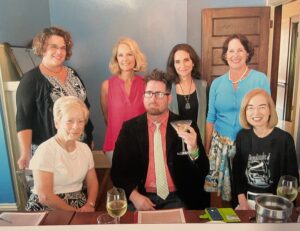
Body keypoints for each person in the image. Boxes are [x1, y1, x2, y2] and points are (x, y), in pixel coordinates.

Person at [111, 69, 210, 210]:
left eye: (159, 94)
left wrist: (194, 150)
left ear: (169, 98)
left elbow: (203, 170)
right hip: (141, 197)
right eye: (149, 93)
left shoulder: (186, 125)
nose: (153, 99)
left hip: (178, 198)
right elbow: (117, 172)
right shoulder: (130, 129)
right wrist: (134, 196)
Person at [204, 34, 271, 202]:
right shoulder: (217, 84)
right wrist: (207, 148)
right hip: (221, 146)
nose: (235, 55)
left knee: (247, 191)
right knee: (222, 197)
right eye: (231, 51)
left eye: (240, 50)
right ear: (225, 55)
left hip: (250, 145)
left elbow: (266, 114)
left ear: (247, 53)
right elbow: (210, 118)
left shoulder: (260, 79)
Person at [16, 26, 94, 170]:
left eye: (63, 48)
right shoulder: (30, 80)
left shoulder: (73, 74)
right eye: (53, 47)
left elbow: (85, 107)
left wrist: (90, 137)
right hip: (50, 154)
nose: (59, 52)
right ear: (42, 48)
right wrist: (25, 153)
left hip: (79, 148)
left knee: (79, 189)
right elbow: (23, 119)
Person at [25, 96, 99, 211]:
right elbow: (45, 196)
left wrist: (90, 204)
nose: (76, 126)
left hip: (79, 203)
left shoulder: (85, 149)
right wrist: (75, 213)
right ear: (57, 123)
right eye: (70, 121)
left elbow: (92, 182)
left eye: (80, 121)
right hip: (47, 207)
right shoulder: (46, 150)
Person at [232, 89, 299, 210]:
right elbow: (237, 174)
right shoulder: (242, 136)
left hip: (277, 203)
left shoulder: (285, 139)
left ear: (270, 110)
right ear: (245, 112)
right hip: (246, 202)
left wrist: (280, 205)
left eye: (262, 107)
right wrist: (242, 202)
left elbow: (292, 181)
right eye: (250, 108)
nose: (256, 113)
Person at [100, 37, 147, 164]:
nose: (125, 59)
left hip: (141, 145)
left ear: (136, 57)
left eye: (129, 54)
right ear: (116, 59)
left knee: (141, 183)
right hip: (115, 144)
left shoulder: (146, 85)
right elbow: (107, 118)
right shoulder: (106, 86)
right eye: (120, 55)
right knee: (120, 183)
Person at [167, 43, 207, 141]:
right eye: (177, 62)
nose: (182, 65)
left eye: (186, 60)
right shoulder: (167, 88)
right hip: (174, 143)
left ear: (193, 62)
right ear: (173, 65)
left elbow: (209, 119)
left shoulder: (204, 86)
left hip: (198, 142)